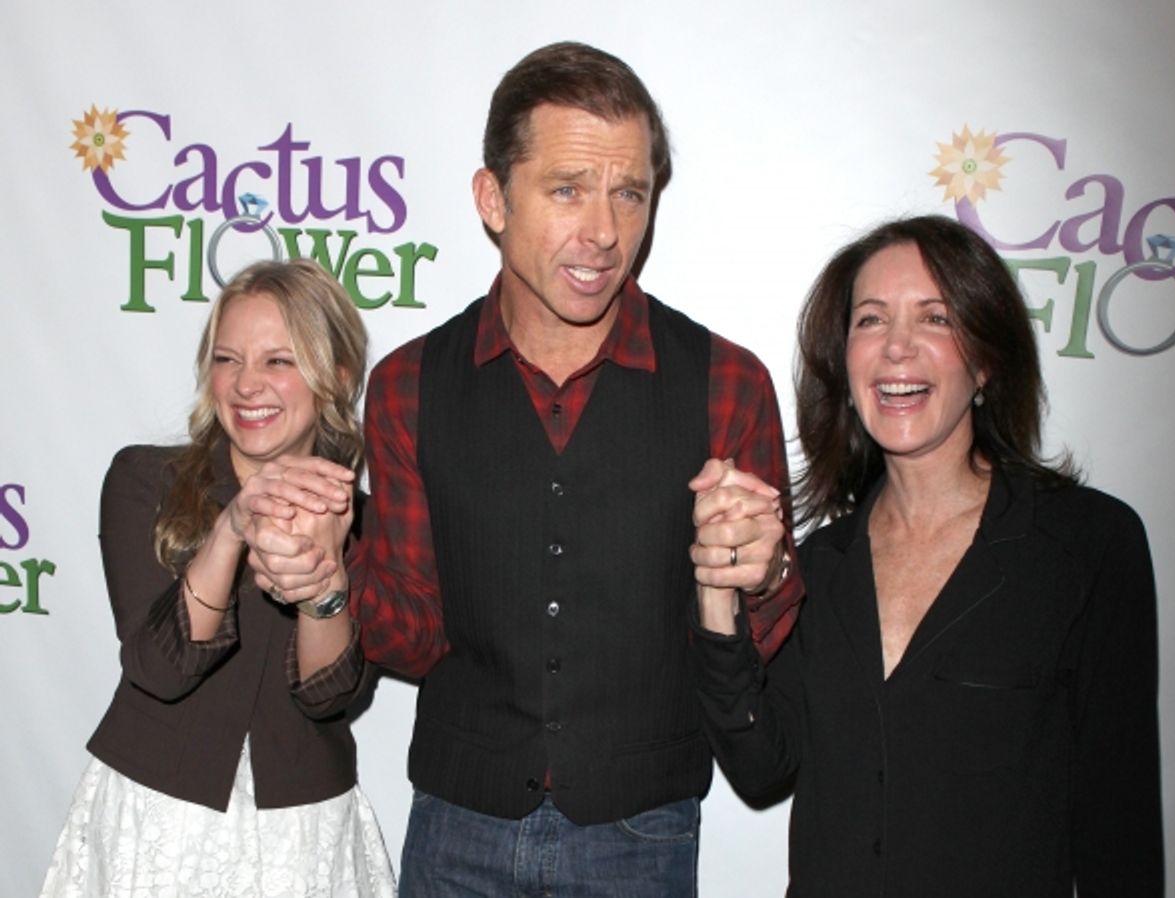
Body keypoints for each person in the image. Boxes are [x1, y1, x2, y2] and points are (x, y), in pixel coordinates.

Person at [250, 41, 802, 897]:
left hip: (643, 830)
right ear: (492, 198)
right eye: (568, 189)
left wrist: (759, 574)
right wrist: (334, 569)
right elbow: (412, 635)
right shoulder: (408, 385)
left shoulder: (726, 381)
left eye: (630, 194)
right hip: (455, 826)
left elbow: (757, 648)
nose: (605, 232)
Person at [690, 215, 1164, 897]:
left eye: (935, 318)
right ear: (844, 362)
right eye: (871, 321)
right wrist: (716, 594)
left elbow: (1119, 828)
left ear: (985, 359)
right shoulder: (820, 565)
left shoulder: (1087, 546)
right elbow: (762, 767)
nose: (896, 350)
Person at [39, 259, 394, 898]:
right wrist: (231, 526)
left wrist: (323, 580)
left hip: (301, 836)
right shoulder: (147, 481)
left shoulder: (363, 519)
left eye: (278, 361)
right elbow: (160, 669)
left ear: (336, 377)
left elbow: (329, 696)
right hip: (155, 826)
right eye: (228, 359)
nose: (247, 385)